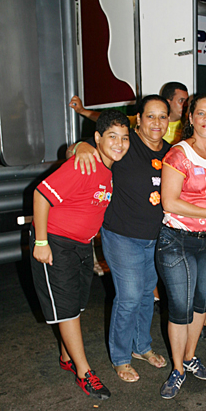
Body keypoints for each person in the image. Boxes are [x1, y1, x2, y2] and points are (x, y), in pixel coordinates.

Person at [30, 110, 130, 399]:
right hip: (56, 244)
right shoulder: (84, 164)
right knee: (67, 310)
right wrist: (41, 242)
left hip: (81, 246)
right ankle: (84, 372)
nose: (119, 143)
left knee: (74, 306)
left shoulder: (107, 170)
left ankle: (67, 357)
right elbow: (41, 194)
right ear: (97, 138)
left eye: (124, 138)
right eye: (112, 136)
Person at [73, 95, 170, 382]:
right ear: (138, 119)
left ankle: (141, 347)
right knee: (129, 297)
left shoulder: (171, 152)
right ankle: (120, 357)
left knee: (146, 295)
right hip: (122, 235)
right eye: (150, 116)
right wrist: (79, 147)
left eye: (162, 116)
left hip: (156, 237)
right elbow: (86, 149)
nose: (156, 122)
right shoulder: (125, 144)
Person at [156, 94, 206, 399]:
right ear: (190, 117)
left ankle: (189, 357)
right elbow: (169, 202)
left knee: (201, 304)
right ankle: (177, 369)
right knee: (180, 308)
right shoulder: (179, 154)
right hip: (178, 241)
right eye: (201, 113)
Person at [69, 80, 188, 145]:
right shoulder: (132, 138)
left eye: (162, 117)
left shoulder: (188, 124)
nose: (157, 123)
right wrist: (82, 111)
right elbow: (109, 120)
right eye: (181, 101)